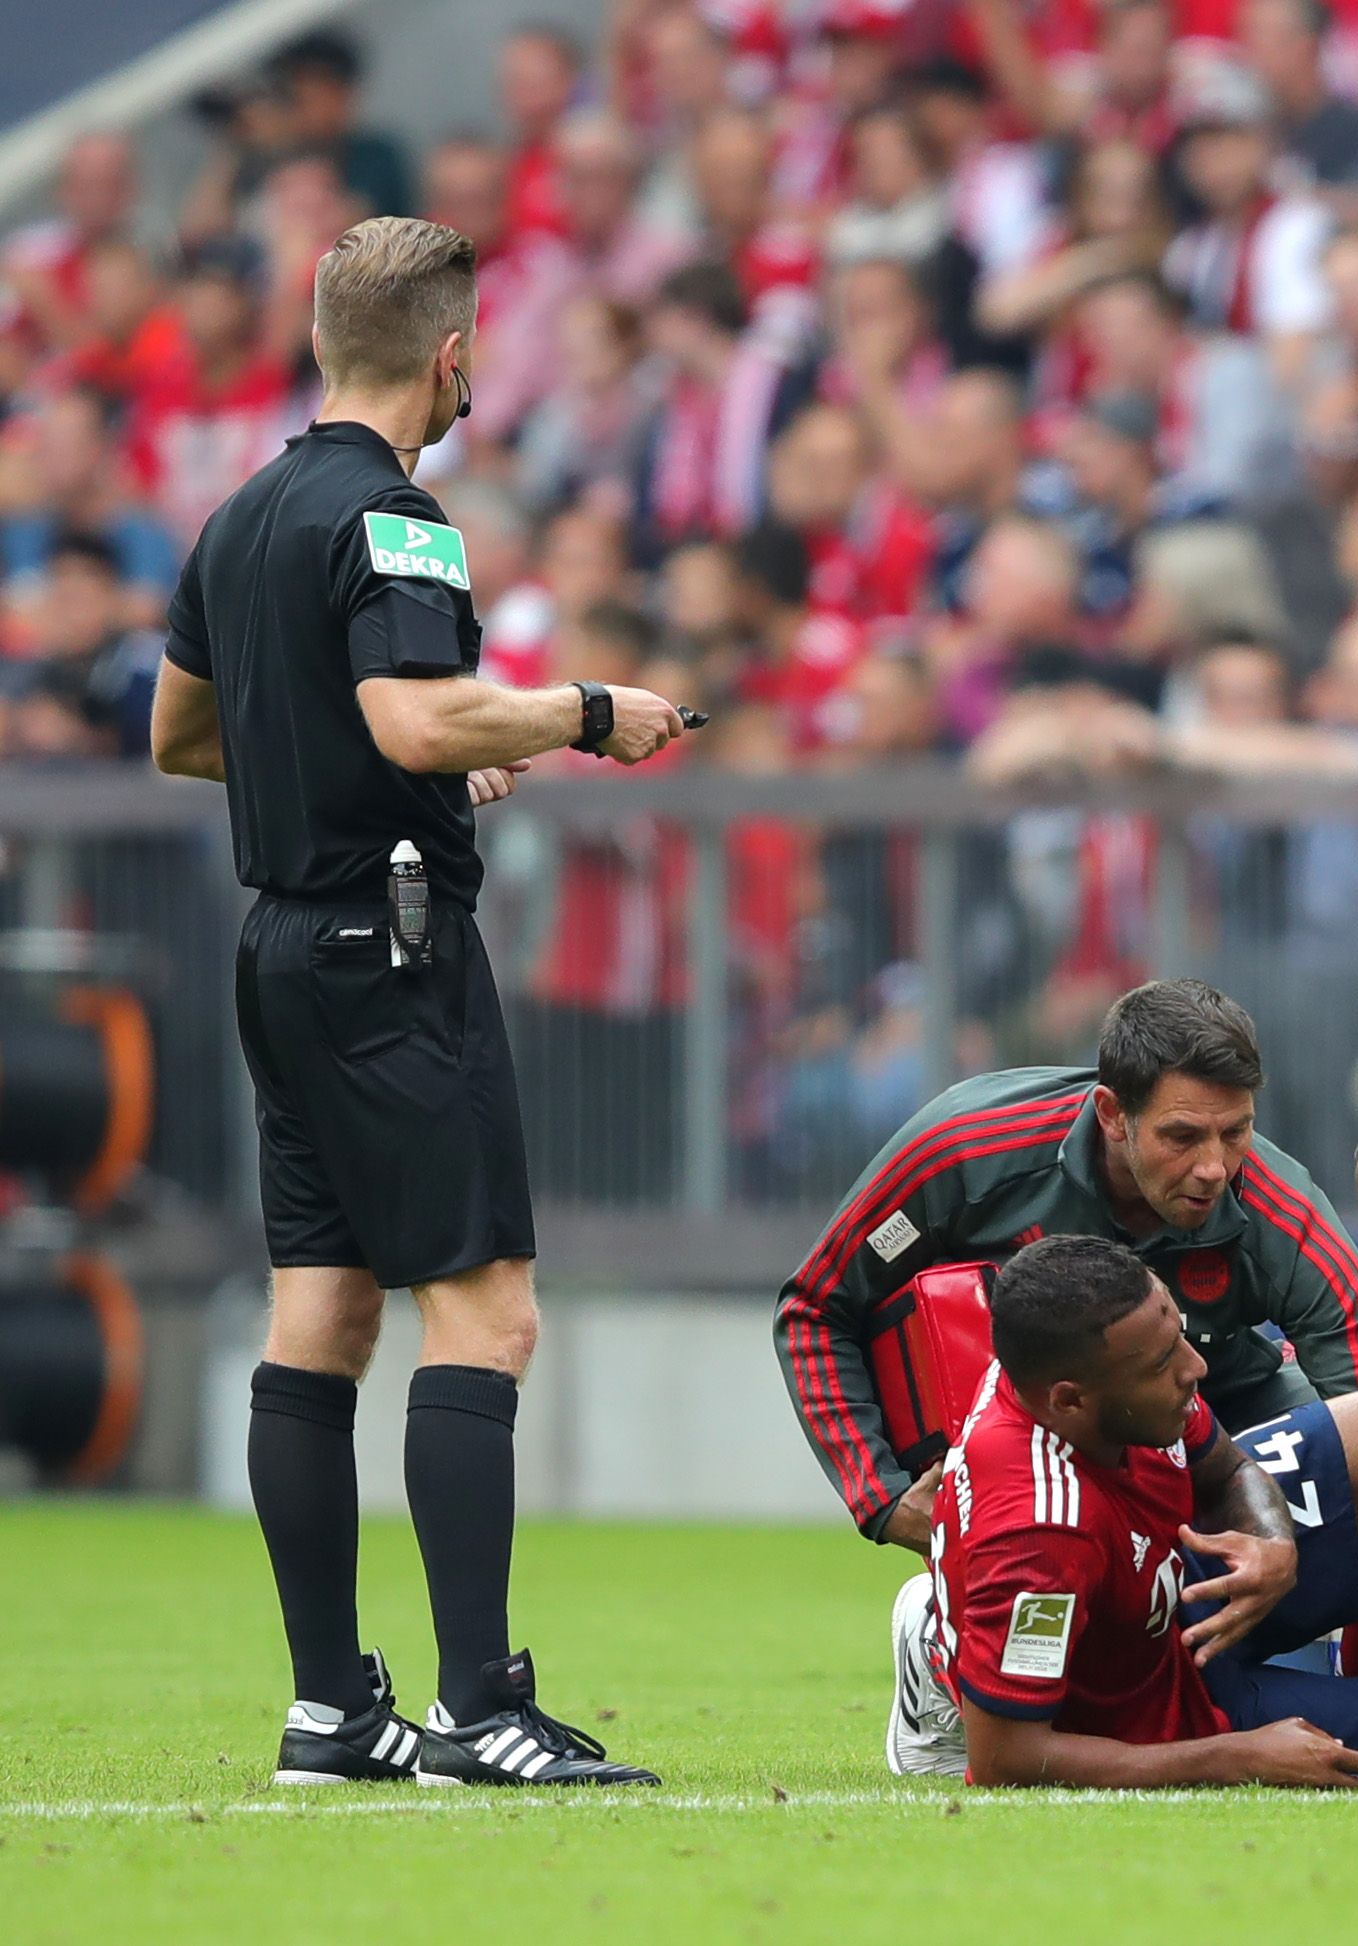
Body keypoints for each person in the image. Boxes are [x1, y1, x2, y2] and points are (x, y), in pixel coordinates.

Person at [149, 216, 692, 1786]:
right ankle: (479, 1702)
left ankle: (331, 1705)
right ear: (450, 355)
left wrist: (443, 744)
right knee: (489, 1311)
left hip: (281, 949)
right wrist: (587, 710)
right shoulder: (401, 518)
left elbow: (188, 737)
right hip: (391, 955)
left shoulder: (240, 516)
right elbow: (405, 708)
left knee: (319, 1312)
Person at [771, 980, 1358, 1738]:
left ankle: (1323, 1660)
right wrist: (883, 1496)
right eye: (1183, 1137)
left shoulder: (1281, 1214)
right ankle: (946, 1641)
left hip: (1222, 1432)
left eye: (1236, 1133)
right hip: (1031, 1453)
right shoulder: (969, 1151)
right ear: (1111, 1114)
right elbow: (816, 1307)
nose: (1215, 1168)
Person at [923, 1235, 1358, 1789]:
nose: (1195, 1367)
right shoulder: (1038, 1533)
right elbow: (1005, 1758)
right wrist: (1237, 1757)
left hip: (1180, 1572)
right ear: (1069, 1400)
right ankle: (978, 1671)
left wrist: (1272, 1540)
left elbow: (1227, 1469)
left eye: (1178, 1334)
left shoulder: (1103, 1368)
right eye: (1159, 1365)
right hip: (1159, 1716)